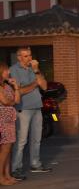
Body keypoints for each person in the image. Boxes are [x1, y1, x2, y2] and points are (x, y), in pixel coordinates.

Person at [10, 47, 50, 180]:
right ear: (19, 58)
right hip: (23, 108)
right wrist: (34, 84)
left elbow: (44, 86)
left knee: (36, 139)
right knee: (21, 140)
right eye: (26, 56)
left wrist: (37, 71)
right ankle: (16, 168)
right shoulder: (13, 70)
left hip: (37, 107)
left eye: (30, 55)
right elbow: (19, 91)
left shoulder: (34, 69)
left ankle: (35, 164)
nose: (29, 58)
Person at [0, 62, 21, 185]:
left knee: (8, 149)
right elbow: (5, 101)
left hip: (10, 120)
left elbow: (16, 100)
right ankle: (1, 177)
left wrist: (16, 87)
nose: (8, 72)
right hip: (2, 120)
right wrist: (11, 101)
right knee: (4, 149)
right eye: (6, 71)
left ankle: (7, 175)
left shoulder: (7, 86)